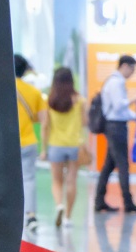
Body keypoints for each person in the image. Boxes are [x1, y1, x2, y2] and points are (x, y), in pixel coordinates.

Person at [94, 54, 136, 214]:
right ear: (124, 66)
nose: (132, 73)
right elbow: (118, 106)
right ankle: (128, 202)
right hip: (116, 127)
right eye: (132, 69)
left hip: (114, 126)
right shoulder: (117, 82)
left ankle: (99, 201)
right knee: (123, 165)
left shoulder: (113, 81)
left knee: (109, 166)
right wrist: (134, 100)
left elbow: (120, 110)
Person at [41, 67, 86, 228]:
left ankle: (59, 205)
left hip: (55, 145)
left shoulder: (50, 101)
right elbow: (85, 122)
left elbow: (45, 126)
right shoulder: (80, 100)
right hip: (74, 145)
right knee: (71, 180)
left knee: (57, 180)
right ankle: (68, 217)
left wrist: (44, 149)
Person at [15, 54, 46, 233]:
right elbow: (43, 120)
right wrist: (44, 147)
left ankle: (9, 214)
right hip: (28, 141)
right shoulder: (34, 92)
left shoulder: (1, 90)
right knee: (29, 179)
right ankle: (31, 215)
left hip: (7, 144)